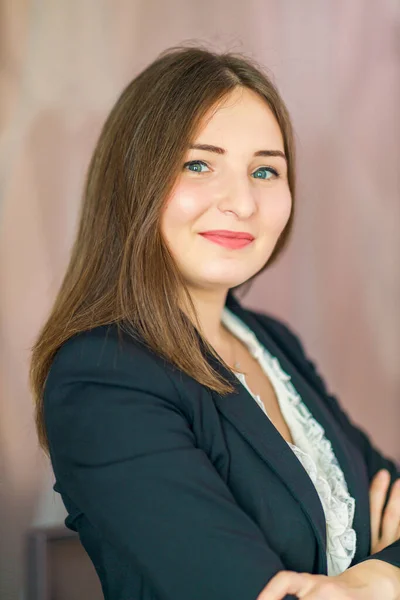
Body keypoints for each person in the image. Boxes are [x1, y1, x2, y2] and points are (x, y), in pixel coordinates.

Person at [29, 45, 400, 600]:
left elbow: (389, 488)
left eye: (265, 170)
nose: (242, 201)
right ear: (135, 183)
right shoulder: (100, 376)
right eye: (198, 163)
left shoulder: (270, 340)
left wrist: (373, 578)